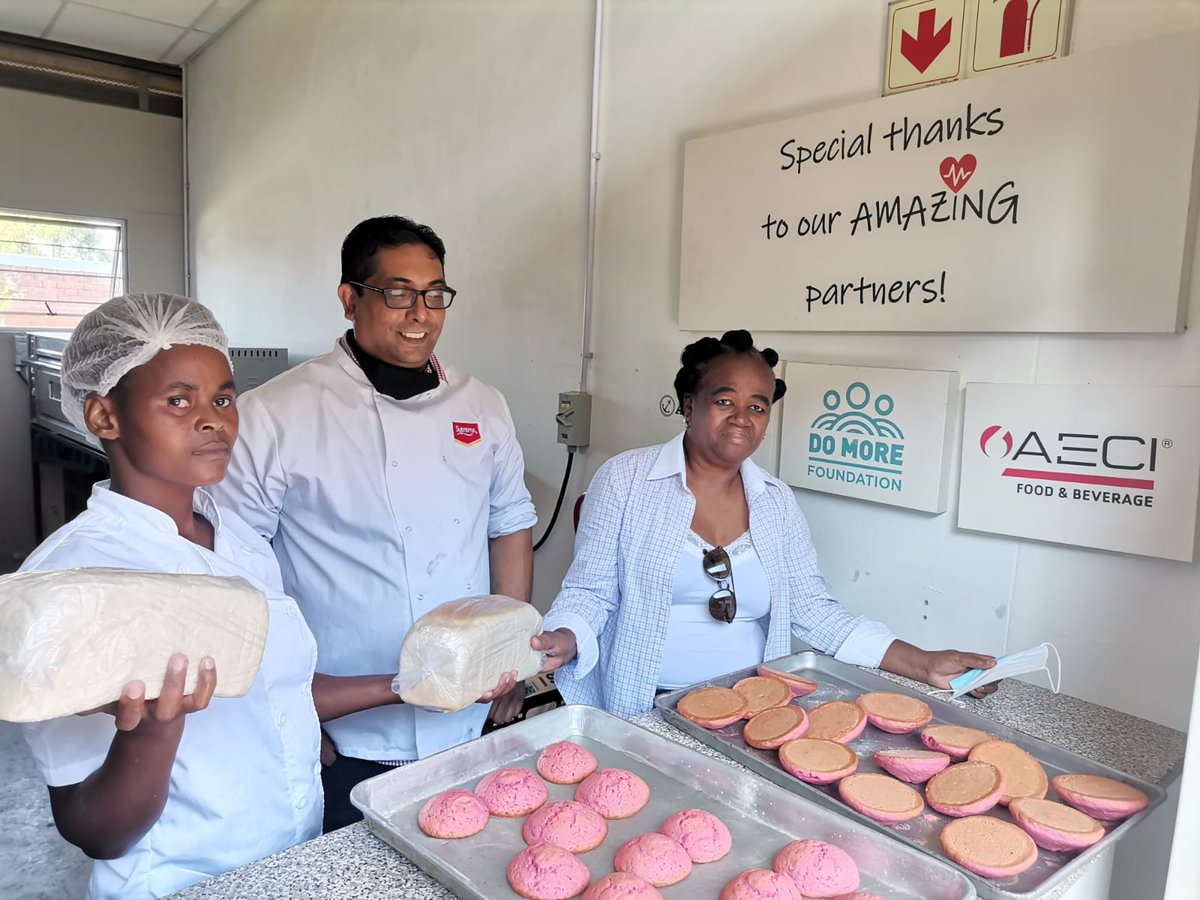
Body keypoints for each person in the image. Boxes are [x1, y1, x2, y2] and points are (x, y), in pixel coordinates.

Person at [19, 293, 434, 900]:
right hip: (181, 881)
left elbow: (276, 691)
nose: (215, 419)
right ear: (104, 417)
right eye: (178, 401)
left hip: (292, 858)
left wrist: (407, 685)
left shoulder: (234, 537)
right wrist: (153, 732)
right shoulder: (73, 583)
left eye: (222, 397)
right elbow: (94, 831)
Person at [212, 215, 537, 831]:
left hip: (470, 716)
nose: (421, 312)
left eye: (435, 293)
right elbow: (237, 575)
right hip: (345, 728)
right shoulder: (275, 414)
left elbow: (511, 524)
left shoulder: (482, 405)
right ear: (348, 299)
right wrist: (287, 708)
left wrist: (513, 656)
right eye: (397, 292)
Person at [534, 330, 996, 717]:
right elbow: (589, 591)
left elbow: (814, 611)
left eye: (757, 406)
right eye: (724, 400)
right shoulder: (626, 480)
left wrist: (922, 663)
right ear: (689, 406)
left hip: (752, 712)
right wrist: (567, 636)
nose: (742, 417)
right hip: (644, 707)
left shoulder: (775, 502)